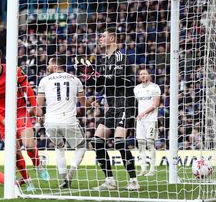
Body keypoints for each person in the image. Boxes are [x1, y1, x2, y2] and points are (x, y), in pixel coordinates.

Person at [0, 47, 49, 191]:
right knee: (14, 152)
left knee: (29, 144)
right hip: (2, 119)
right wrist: (1, 119)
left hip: (20, 112)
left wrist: (34, 106)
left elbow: (26, 86)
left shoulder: (13, 70)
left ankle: (38, 165)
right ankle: (28, 182)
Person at [75, 27, 139, 190]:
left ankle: (133, 181)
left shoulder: (121, 56)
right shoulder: (103, 60)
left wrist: (97, 76)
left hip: (126, 103)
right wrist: (87, 78)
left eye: (103, 36)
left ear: (112, 39)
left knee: (119, 142)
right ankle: (110, 181)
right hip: (112, 106)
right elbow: (100, 87)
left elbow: (117, 79)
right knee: (96, 141)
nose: (100, 39)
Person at [37, 56, 87, 188]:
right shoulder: (75, 80)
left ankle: (64, 179)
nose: (47, 67)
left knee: (59, 147)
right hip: (68, 119)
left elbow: (38, 105)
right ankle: (71, 173)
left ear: (54, 65)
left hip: (51, 121)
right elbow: (83, 103)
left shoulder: (44, 80)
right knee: (81, 146)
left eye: (49, 64)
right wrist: (92, 104)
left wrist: (37, 117)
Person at [134, 69, 161, 177]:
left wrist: (143, 113)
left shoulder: (155, 87)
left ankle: (152, 170)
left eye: (145, 74)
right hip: (140, 121)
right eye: (141, 74)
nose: (143, 76)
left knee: (150, 144)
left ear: (149, 75)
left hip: (151, 119)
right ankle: (143, 169)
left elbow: (156, 104)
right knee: (140, 144)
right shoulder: (136, 89)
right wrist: (140, 115)